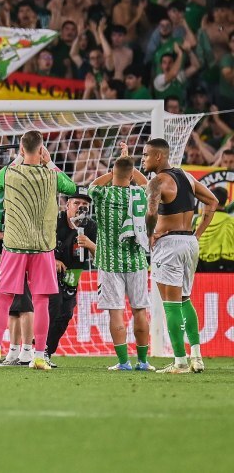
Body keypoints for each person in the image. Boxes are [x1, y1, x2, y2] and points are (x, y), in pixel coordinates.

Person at [0, 130, 77, 371]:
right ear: (42, 149)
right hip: (43, 248)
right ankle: (38, 356)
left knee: (4, 298)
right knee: (42, 301)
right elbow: (72, 187)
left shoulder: (11, 173)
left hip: (14, 246)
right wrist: (50, 162)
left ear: (22, 149)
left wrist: (17, 158)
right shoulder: (51, 176)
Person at [143, 137, 218, 374]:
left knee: (170, 304)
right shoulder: (186, 176)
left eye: (145, 155)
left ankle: (180, 361)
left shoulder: (156, 182)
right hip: (189, 243)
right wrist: (197, 234)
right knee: (185, 299)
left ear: (158, 156)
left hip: (169, 244)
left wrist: (149, 234)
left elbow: (151, 212)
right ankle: (196, 356)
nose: (143, 159)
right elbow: (213, 202)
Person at [88, 147, 154, 371]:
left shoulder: (103, 195)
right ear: (132, 174)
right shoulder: (140, 194)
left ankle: (124, 362)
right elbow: (147, 184)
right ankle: (143, 362)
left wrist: (115, 171)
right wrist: (130, 170)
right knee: (140, 311)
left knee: (116, 312)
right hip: (136, 261)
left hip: (110, 262)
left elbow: (93, 186)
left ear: (114, 173)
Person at [45, 192, 97, 365]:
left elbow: (101, 257)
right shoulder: (53, 222)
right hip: (48, 272)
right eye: (77, 203)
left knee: (65, 314)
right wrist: (53, 259)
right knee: (53, 307)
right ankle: (36, 350)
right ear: (67, 205)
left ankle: (47, 352)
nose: (80, 207)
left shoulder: (90, 227)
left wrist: (90, 244)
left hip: (73, 275)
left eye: (85, 205)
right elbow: (38, 245)